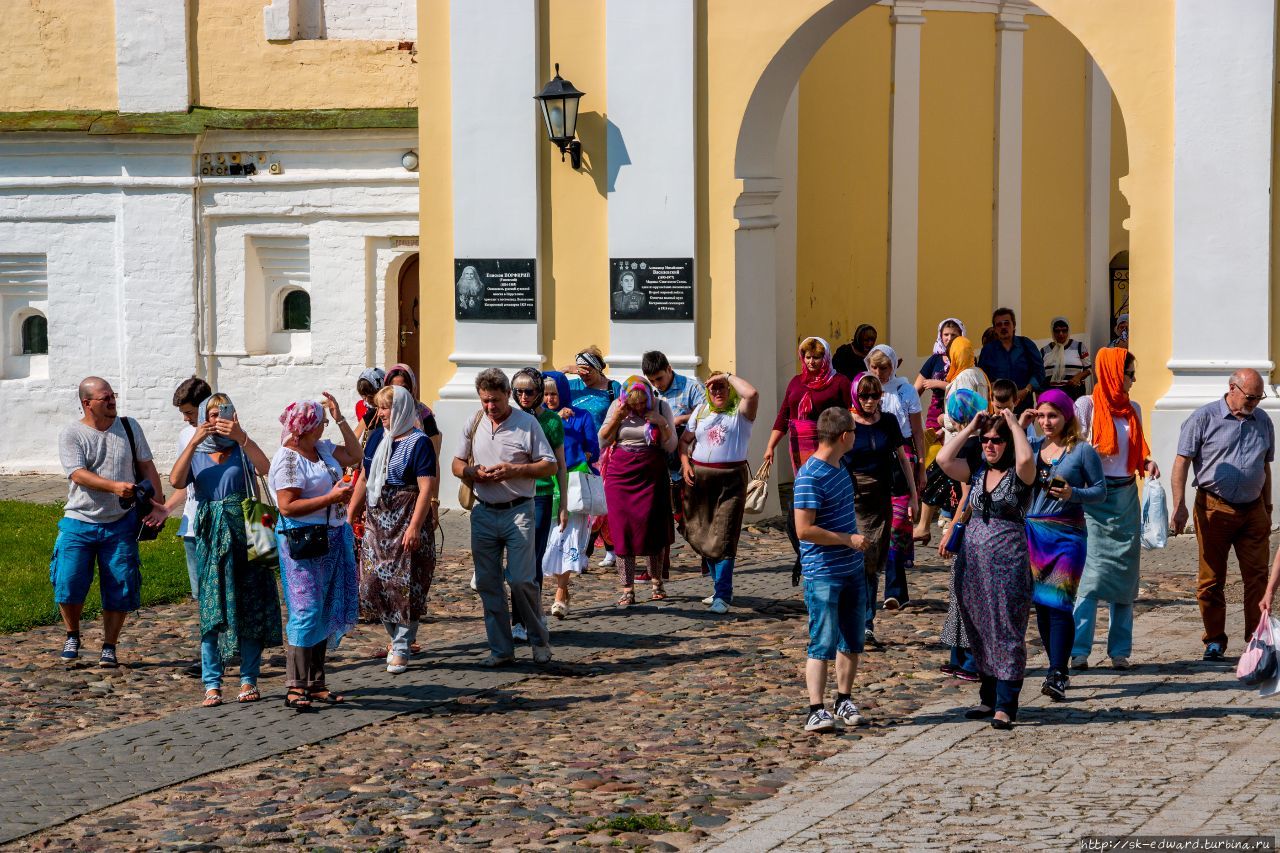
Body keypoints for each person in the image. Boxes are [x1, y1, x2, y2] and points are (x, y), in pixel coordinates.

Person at [170, 393, 280, 706]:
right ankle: (212, 684)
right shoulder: (198, 451)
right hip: (209, 535)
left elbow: (266, 469)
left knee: (249, 606)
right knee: (211, 609)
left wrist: (242, 437)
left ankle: (248, 679)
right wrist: (193, 441)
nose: (218, 420)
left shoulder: (240, 447)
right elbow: (177, 481)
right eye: (212, 414)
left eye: (224, 413)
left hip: (248, 530)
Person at [52, 377, 167, 666]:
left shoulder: (129, 426)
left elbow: (146, 466)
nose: (112, 401)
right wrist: (115, 486)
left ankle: (109, 645)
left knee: (121, 584)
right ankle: (72, 634)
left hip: (120, 522)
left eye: (113, 395)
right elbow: (78, 474)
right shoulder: (72, 433)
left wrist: (159, 504)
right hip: (79, 520)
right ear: (87, 403)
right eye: (105, 398)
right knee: (68, 581)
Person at [936, 408, 1036, 730]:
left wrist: (1014, 425)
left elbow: (1024, 460)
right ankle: (988, 696)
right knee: (978, 626)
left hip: (1008, 562)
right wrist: (971, 429)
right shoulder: (977, 470)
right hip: (974, 563)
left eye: (996, 441)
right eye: (986, 441)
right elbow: (943, 460)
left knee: (1005, 627)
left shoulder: (1020, 475)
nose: (990, 445)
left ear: (1007, 441)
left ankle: (1006, 704)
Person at [452, 368, 557, 666]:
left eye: (495, 400)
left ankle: (539, 640)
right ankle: (501, 649)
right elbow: (456, 463)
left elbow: (548, 465)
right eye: (485, 400)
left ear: (508, 395)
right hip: (483, 512)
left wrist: (516, 470)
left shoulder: (527, 424)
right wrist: (471, 472)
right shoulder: (474, 422)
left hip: (519, 510)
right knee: (488, 583)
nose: (490, 407)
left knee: (523, 580)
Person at [1171, 368, 1274, 660]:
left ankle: (1256, 639)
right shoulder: (1203, 418)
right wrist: (1178, 505)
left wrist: (1267, 509)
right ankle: (1214, 639)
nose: (1255, 402)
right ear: (1232, 388)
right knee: (1211, 579)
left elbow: (1264, 466)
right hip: (1214, 507)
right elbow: (1182, 462)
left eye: (1259, 397)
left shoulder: (1263, 421)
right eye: (1250, 397)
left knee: (1257, 577)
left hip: (1253, 508)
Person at [270, 395, 362, 710]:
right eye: (321, 421)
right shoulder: (289, 459)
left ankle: (316, 682)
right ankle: (295, 685)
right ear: (308, 427)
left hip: (332, 537)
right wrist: (330, 497)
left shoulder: (320, 449)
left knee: (325, 606)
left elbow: (354, 454)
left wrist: (339, 418)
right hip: (302, 541)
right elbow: (287, 506)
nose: (324, 426)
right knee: (306, 608)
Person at [1071, 348, 1159, 671]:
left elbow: (1136, 448)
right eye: (1129, 374)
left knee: (1124, 576)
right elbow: (1071, 448)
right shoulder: (1087, 407)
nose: (1133, 380)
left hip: (1125, 499)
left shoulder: (1132, 408)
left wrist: (1147, 462)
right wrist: (1087, 452)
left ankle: (1119, 650)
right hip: (1095, 499)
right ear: (1112, 372)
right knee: (1089, 578)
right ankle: (1079, 650)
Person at [347, 385, 439, 675]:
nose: (382, 414)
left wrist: (414, 527)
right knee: (372, 583)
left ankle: (401, 645)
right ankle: (396, 636)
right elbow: (364, 476)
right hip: (378, 520)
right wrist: (351, 513)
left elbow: (426, 488)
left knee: (406, 584)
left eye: (386, 408)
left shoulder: (419, 442)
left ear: (400, 409)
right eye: (380, 408)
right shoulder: (376, 439)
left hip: (407, 518)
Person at [793, 406, 869, 733]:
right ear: (843, 436)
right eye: (854, 430)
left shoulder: (840, 466)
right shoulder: (810, 475)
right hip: (823, 572)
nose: (856, 435)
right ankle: (815, 709)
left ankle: (843, 699)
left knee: (851, 639)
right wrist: (847, 539)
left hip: (852, 569)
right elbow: (804, 530)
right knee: (821, 641)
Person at [1024, 390, 1104, 701]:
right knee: (1042, 605)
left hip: (1068, 535)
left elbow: (1100, 491)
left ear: (1067, 416)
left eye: (1052, 415)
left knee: (1059, 601)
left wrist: (1074, 494)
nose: (1046, 422)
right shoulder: (1031, 447)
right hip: (1033, 533)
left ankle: (1058, 671)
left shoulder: (1082, 452)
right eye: (1041, 415)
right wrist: (1020, 422)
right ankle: (1055, 667)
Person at [764, 337, 854, 584]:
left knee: (824, 498)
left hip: (827, 445)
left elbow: (848, 416)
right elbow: (784, 414)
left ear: (825, 358)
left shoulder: (839, 382)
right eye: (807, 357)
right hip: (797, 447)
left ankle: (827, 547)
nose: (812, 362)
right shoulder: (796, 382)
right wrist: (771, 445)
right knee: (802, 500)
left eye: (816, 357)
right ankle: (803, 551)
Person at [843, 373, 917, 646]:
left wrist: (913, 496)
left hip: (881, 498)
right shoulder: (847, 424)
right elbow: (834, 459)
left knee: (873, 560)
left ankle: (867, 623)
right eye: (864, 396)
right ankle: (857, 620)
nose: (870, 401)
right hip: (853, 498)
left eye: (875, 395)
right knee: (858, 559)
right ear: (855, 396)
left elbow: (902, 457)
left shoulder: (887, 421)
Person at [679, 371, 759, 614]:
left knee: (723, 535)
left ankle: (723, 594)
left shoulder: (741, 413)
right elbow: (684, 441)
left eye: (722, 387)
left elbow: (752, 393)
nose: (717, 392)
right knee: (703, 533)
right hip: (700, 479)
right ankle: (719, 586)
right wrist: (685, 465)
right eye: (712, 388)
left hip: (730, 480)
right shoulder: (701, 412)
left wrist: (726, 375)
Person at [599, 376, 678, 606]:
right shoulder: (618, 407)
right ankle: (627, 588)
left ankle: (657, 583)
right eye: (634, 404)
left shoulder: (661, 406)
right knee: (622, 530)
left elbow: (671, 445)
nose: (639, 408)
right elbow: (602, 440)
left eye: (643, 402)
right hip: (621, 476)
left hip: (651, 473)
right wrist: (617, 418)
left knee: (653, 527)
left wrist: (661, 422)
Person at [510, 367, 567, 640]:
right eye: (518, 391)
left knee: (532, 562)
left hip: (541, 496)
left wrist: (564, 503)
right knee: (517, 562)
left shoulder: (552, 422)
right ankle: (519, 619)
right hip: (515, 495)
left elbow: (561, 466)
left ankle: (528, 617)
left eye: (529, 391)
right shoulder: (512, 419)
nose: (523, 396)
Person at [867, 345, 925, 611]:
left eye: (884, 367)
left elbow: (916, 430)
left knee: (898, 527)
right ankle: (873, 587)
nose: (879, 373)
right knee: (878, 527)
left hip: (902, 459)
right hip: (874, 461)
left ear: (893, 366)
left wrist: (921, 465)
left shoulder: (905, 391)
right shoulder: (865, 390)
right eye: (874, 367)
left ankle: (895, 590)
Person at [541, 371, 601, 618]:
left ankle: (560, 592)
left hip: (572, 485)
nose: (550, 398)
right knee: (549, 541)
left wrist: (577, 457)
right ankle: (561, 590)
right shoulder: (539, 418)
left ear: (564, 393)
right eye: (545, 394)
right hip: (546, 485)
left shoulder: (582, 416)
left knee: (566, 540)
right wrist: (555, 418)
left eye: (554, 394)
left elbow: (593, 450)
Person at [643, 350, 707, 579]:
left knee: (688, 515)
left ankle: (707, 558)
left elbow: (705, 415)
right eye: (651, 381)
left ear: (669, 369)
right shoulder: (650, 392)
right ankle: (660, 567)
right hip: (657, 461)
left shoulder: (691, 387)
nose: (656, 384)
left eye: (659, 378)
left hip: (685, 461)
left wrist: (674, 420)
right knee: (658, 517)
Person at [166, 376, 212, 677]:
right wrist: (167, 507)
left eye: (191, 413)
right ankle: (212, 650)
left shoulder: (225, 435)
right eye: (183, 413)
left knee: (219, 588)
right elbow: (184, 482)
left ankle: (217, 651)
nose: (186, 419)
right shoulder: (187, 436)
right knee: (200, 593)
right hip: (192, 523)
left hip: (217, 519)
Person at [564, 347, 624, 567]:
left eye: (587, 369)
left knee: (600, 503)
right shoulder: (572, 387)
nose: (583, 374)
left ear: (598, 368)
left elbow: (623, 414)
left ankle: (587, 553)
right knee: (581, 502)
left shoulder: (612, 388)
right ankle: (600, 549)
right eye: (580, 369)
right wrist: (564, 371)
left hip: (605, 452)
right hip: (575, 453)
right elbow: (543, 385)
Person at [978, 308, 1045, 414]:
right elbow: (982, 377)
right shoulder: (988, 350)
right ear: (995, 329)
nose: (1003, 327)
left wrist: (1026, 390)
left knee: (1023, 431)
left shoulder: (1026, 345)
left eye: (1006, 323)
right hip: (998, 408)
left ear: (1014, 325)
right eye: (999, 325)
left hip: (1023, 403)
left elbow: (1039, 372)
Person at [915, 318, 966, 453]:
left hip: (956, 413)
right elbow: (916, 390)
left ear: (961, 337)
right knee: (933, 455)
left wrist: (938, 383)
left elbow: (964, 387)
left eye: (954, 335)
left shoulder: (966, 358)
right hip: (935, 414)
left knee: (953, 455)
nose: (949, 338)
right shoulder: (935, 359)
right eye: (946, 334)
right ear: (940, 336)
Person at [384, 363, 443, 470]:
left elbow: (433, 460)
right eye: (394, 389)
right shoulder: (380, 414)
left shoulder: (424, 415)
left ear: (412, 388)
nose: (399, 394)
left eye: (404, 388)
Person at [1040, 318, 1092, 401]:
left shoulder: (1079, 347)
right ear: (1052, 332)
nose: (1061, 334)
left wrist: (1078, 377)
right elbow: (1040, 374)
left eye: (1064, 331)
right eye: (1057, 331)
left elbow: (1089, 369)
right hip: (1052, 396)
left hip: (1074, 394)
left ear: (1068, 331)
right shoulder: (1044, 351)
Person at [353, 367, 386, 442]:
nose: (367, 400)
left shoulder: (392, 412)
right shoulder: (370, 414)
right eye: (363, 396)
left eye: (371, 396)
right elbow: (354, 439)